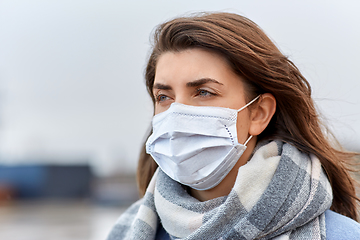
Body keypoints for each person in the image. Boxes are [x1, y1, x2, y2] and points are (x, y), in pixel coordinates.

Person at [107, 12, 360, 239]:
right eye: (164, 97)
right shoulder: (126, 231)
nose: (177, 113)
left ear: (259, 113)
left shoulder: (341, 236)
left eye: (203, 92)